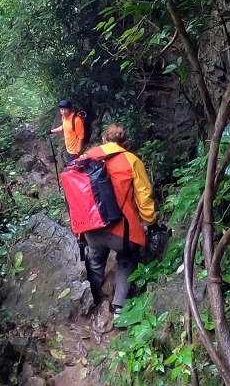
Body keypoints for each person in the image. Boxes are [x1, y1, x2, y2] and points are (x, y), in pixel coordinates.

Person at [81, 123, 160, 318]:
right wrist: (151, 223)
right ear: (125, 143)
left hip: (92, 226)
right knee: (127, 260)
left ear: (103, 140)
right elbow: (143, 197)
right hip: (121, 231)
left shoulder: (86, 157)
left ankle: (92, 302)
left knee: (95, 260)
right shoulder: (132, 160)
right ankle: (119, 308)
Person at [50, 99, 86, 164]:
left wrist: (79, 151)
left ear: (70, 109)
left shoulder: (76, 120)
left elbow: (81, 136)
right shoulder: (63, 117)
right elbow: (64, 127)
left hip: (75, 151)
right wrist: (51, 131)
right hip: (68, 148)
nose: (63, 112)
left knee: (71, 168)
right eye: (62, 109)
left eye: (65, 109)